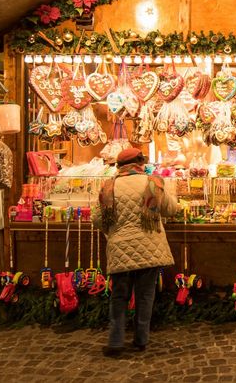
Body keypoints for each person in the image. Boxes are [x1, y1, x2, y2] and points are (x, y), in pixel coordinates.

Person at [99, 148, 180, 356]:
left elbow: (98, 219)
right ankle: (141, 339)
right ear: (140, 164)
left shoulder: (109, 186)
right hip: (149, 248)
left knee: (119, 297)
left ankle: (115, 341)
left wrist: (114, 233)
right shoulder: (153, 182)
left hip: (119, 248)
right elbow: (171, 209)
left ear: (119, 166)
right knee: (145, 296)